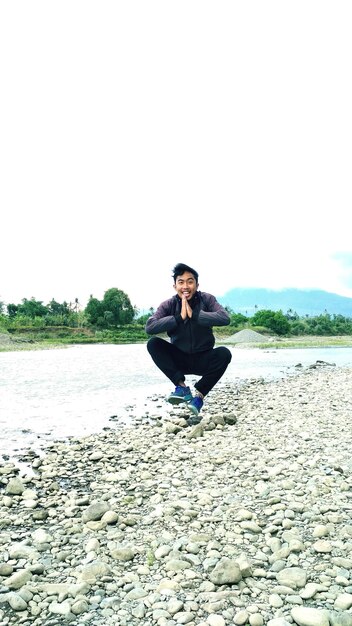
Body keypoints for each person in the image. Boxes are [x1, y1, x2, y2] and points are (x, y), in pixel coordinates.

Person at [145, 262, 232, 424]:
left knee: (224, 353)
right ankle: (182, 388)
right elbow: (150, 327)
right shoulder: (169, 304)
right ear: (175, 286)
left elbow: (225, 318)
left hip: (203, 358)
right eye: (181, 282)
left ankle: (199, 397)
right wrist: (179, 318)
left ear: (197, 285)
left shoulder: (207, 299)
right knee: (153, 344)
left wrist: (196, 315)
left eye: (190, 281)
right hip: (180, 359)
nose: (186, 286)